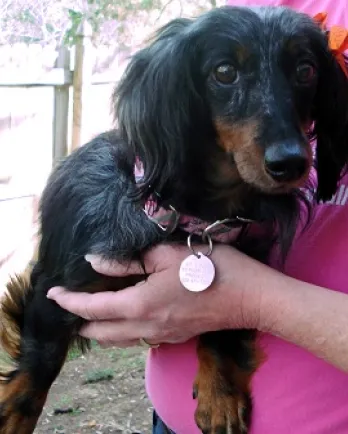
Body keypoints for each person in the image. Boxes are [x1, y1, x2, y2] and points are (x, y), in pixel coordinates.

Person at [47, 1, 348, 433]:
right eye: (226, 75)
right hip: (172, 417)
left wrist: (247, 301)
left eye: (302, 73)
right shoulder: (254, 11)